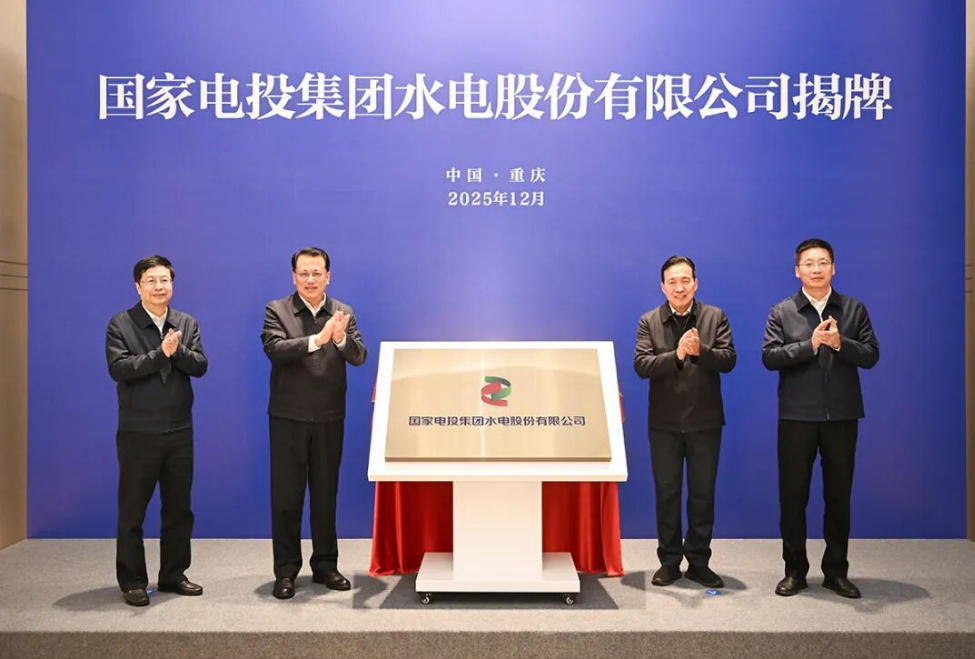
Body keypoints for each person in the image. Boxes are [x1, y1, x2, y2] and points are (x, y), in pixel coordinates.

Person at [762, 238, 879, 599]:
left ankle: (836, 572)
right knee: (793, 498)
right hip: (796, 418)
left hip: (842, 417)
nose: (816, 269)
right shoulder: (782, 311)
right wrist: (810, 345)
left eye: (823, 262)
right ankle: (794, 571)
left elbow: (871, 355)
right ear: (797, 270)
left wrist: (840, 343)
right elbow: (770, 356)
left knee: (838, 497)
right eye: (809, 263)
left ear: (834, 268)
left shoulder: (853, 309)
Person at [262, 247, 367, 600]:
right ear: (294, 277)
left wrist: (339, 338)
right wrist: (317, 340)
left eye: (317, 273)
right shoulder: (277, 310)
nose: (310, 280)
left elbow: (359, 356)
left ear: (328, 277)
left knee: (325, 496)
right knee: (286, 498)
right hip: (288, 417)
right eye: (304, 273)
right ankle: (286, 571)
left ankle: (325, 565)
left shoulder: (343, 312)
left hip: (328, 417)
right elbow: (275, 349)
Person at [105, 255, 208, 607]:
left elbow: (200, 365)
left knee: (179, 508)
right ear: (138, 286)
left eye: (165, 280)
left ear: (172, 284)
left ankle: (173, 574)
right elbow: (120, 368)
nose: (159, 287)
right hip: (138, 432)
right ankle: (133, 580)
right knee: (132, 510)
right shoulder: (121, 324)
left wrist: (176, 352)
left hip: (179, 431)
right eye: (151, 280)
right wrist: (160, 354)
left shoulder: (185, 322)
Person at [634, 255, 736, 589]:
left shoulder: (714, 316)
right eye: (673, 282)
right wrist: (676, 354)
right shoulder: (649, 321)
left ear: (696, 283)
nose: (680, 288)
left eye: (685, 280)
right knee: (667, 494)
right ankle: (669, 562)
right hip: (663, 424)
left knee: (702, 495)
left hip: (705, 422)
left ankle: (699, 562)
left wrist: (699, 350)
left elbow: (728, 360)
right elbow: (642, 365)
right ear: (663, 287)